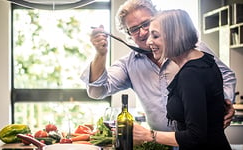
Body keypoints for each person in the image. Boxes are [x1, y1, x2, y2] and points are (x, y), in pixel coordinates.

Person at [80, 0, 236, 136]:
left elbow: (226, 76)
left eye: (146, 23)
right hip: (160, 143)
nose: (143, 32)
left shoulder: (191, 49)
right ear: (128, 34)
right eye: (134, 29)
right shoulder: (128, 65)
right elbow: (97, 91)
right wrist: (100, 54)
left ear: (157, 20)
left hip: (201, 141)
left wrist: (223, 102)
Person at [133, 9, 232, 150]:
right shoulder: (205, 60)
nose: (149, 42)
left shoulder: (190, 75)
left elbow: (196, 137)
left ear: (174, 36)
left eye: (155, 36)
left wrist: (149, 135)